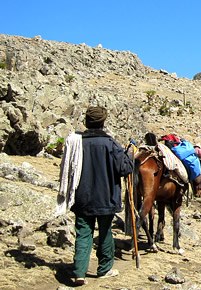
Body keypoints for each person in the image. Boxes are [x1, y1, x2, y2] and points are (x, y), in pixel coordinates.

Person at [69, 106, 134, 286]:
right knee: (105, 232)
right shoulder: (111, 143)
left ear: (87, 122)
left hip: (82, 196)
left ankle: (79, 272)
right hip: (106, 197)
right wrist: (129, 155)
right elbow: (124, 169)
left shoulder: (77, 142)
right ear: (103, 123)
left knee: (83, 233)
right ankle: (104, 268)